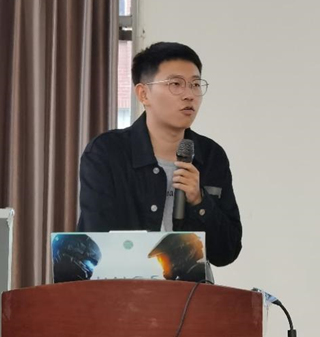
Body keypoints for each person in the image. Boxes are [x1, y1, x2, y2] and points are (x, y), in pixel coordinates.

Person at [77, 42, 242, 267]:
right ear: (143, 93)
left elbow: (227, 252)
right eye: (176, 84)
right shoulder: (107, 153)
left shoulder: (211, 156)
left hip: (191, 289)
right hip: (123, 286)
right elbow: (95, 241)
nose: (189, 95)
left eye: (195, 85)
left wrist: (199, 200)